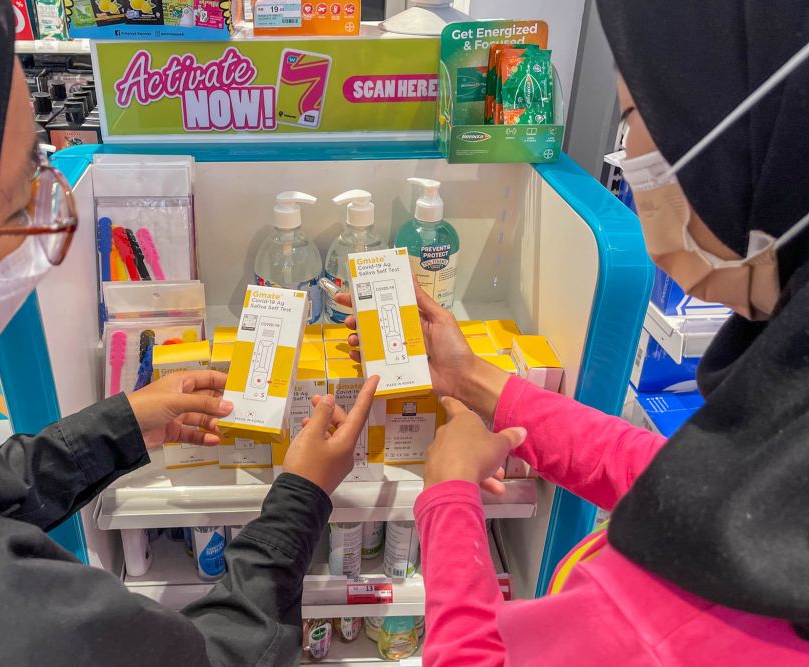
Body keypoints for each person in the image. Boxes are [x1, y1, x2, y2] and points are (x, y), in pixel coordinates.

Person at [0, 3, 377, 665]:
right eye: (18, 203)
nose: (48, 230)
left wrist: (120, 425)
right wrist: (302, 499)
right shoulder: (0, 626)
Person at [337, 3, 809, 663]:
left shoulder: (669, 620)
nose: (625, 158)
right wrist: (469, 377)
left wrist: (448, 495)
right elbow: (672, 476)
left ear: (737, 144)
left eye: (632, 120)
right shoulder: (780, 440)